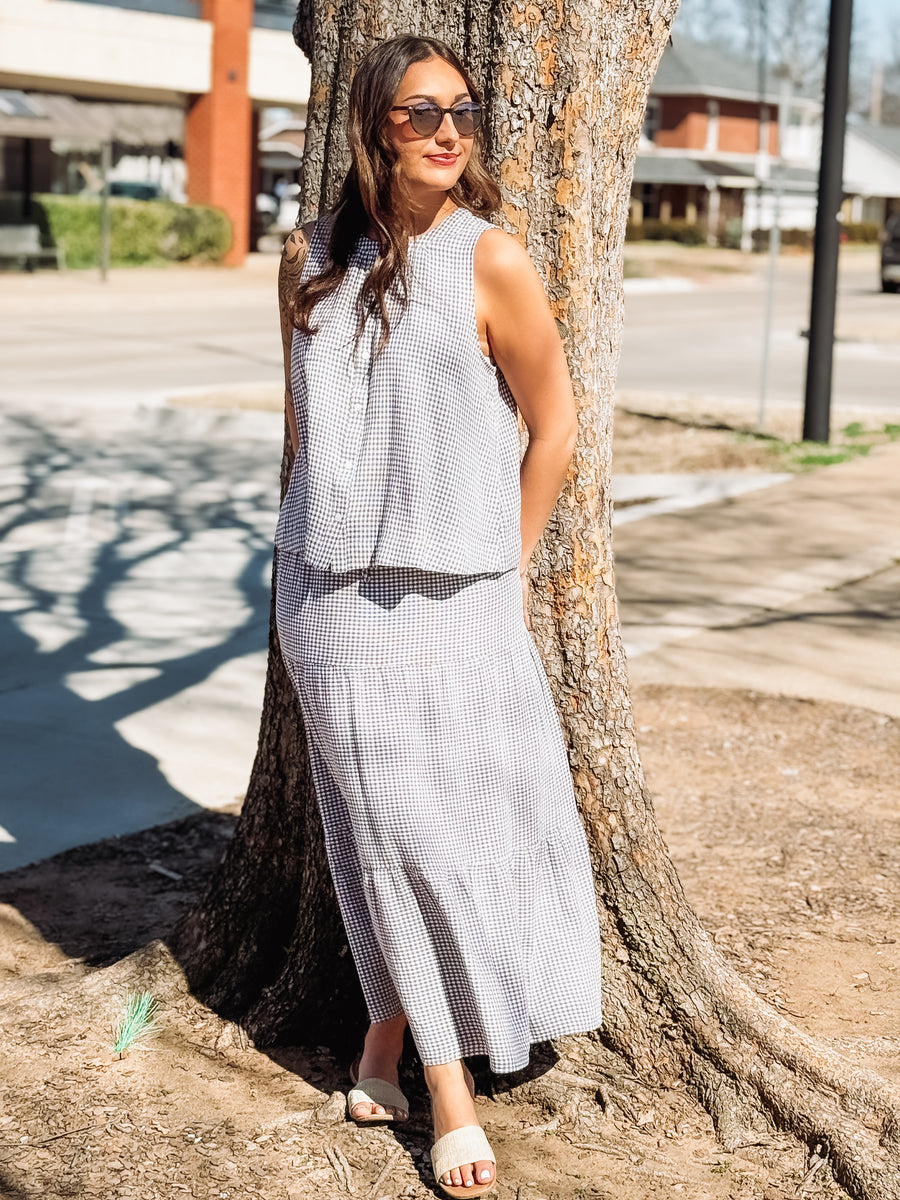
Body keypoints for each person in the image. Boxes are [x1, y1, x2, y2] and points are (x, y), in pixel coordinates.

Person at [274, 33, 602, 1200]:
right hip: (329, 587)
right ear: (376, 126)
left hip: (457, 592)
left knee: (429, 831)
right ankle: (449, 1093)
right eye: (420, 112)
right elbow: (302, 426)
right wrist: (313, 527)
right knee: (381, 824)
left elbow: (554, 428)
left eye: (460, 110)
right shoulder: (311, 258)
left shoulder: (491, 259)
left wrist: (505, 563)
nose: (447, 131)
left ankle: (383, 1042)